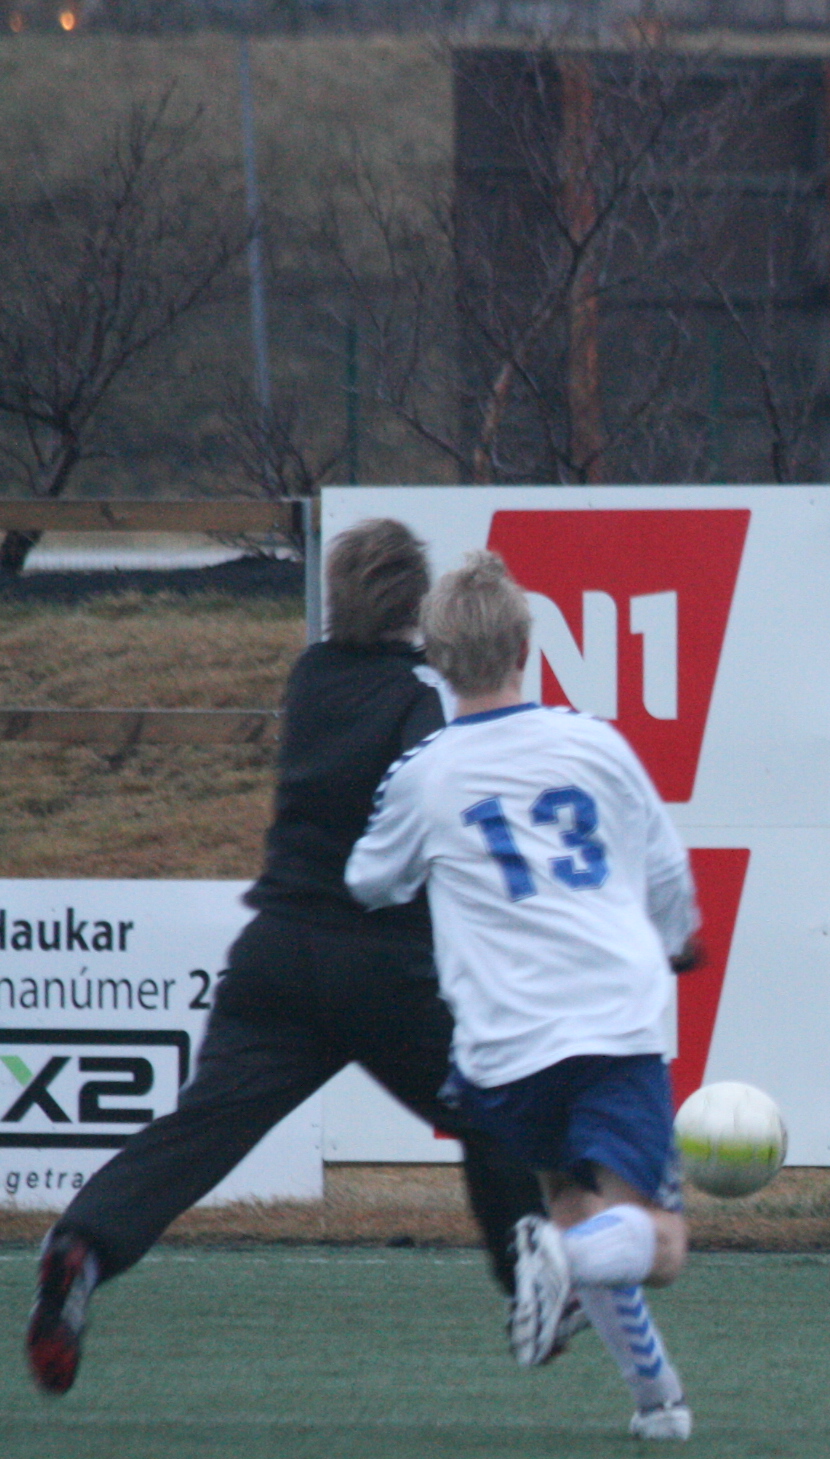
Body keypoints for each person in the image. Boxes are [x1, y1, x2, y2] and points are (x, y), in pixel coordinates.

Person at [25, 520, 536, 1399]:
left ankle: (82, 1246)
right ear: (416, 606)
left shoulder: (311, 676)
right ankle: (534, 1286)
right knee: (494, 1109)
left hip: (276, 955)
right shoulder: (419, 696)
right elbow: (433, 821)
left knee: (200, 1131)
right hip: (380, 967)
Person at [346, 549, 706, 1438]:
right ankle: (565, 1262)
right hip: (611, 1022)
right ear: (525, 648)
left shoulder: (424, 773)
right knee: (658, 1245)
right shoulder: (594, 742)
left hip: (504, 1046)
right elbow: (665, 870)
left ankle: (658, 1402)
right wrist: (678, 940)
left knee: (572, 1201)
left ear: (435, 662)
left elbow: (368, 881)